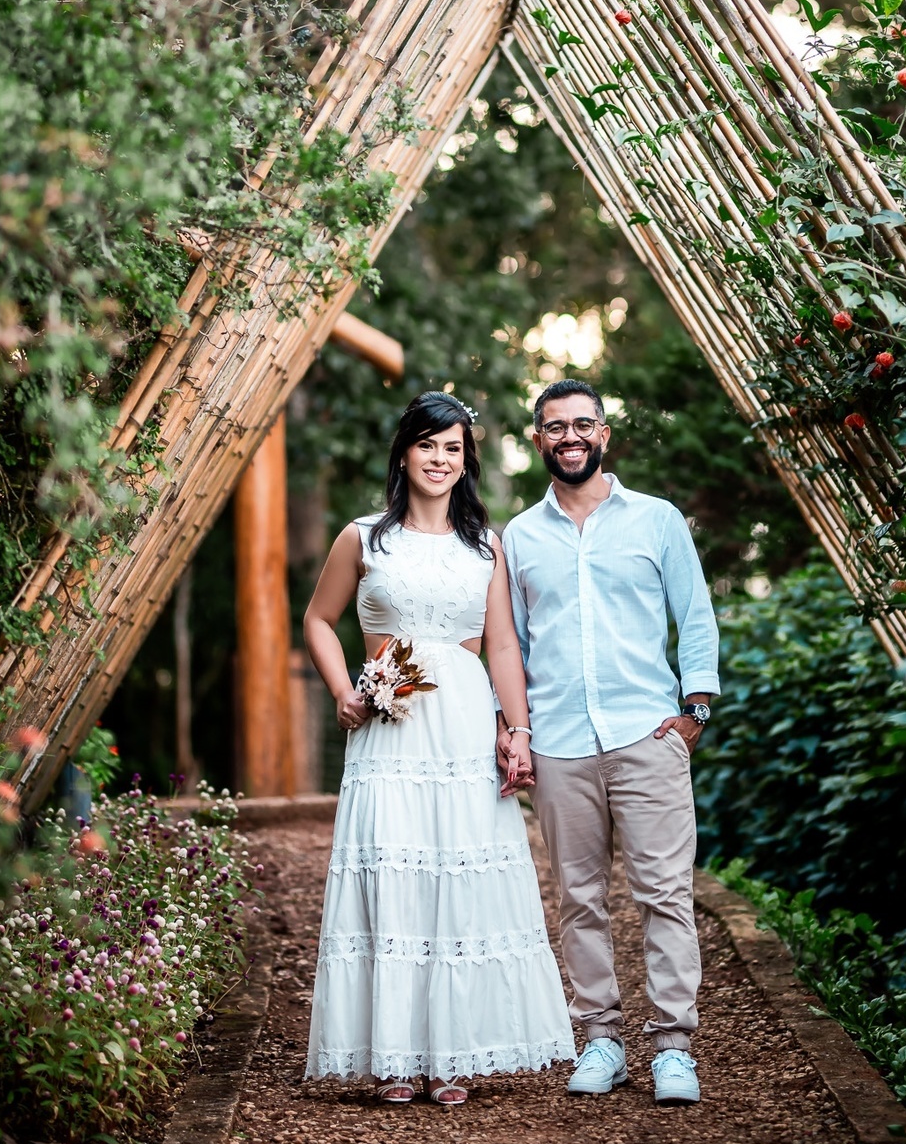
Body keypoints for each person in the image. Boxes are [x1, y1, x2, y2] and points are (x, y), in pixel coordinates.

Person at [301, 391, 576, 1106]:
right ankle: (393, 1055)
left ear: (466, 460)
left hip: (460, 722)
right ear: (404, 453)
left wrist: (515, 731)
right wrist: (344, 690)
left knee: (457, 878)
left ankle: (451, 1052)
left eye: (453, 448)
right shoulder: (363, 538)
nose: (440, 458)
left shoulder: (486, 545)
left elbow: (502, 646)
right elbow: (319, 620)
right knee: (395, 874)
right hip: (388, 732)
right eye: (428, 444)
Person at [501, 379, 718, 1106]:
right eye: (555, 426)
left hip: (646, 732)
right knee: (579, 899)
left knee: (665, 894)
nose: (570, 436)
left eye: (583, 424)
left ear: (605, 435)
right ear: (538, 439)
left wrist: (696, 710)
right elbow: (516, 648)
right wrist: (519, 731)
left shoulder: (657, 521)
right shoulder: (519, 538)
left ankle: (672, 1048)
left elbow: (696, 615)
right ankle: (601, 1041)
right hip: (561, 742)